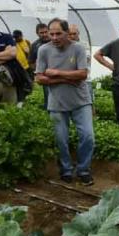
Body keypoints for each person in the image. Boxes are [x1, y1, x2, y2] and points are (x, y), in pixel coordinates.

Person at [35, 18, 94, 186]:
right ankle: (66, 169)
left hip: (80, 101)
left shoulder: (78, 49)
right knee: (61, 139)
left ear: (67, 33)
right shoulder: (43, 50)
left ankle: (83, 170)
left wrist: (55, 73)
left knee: (88, 136)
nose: (54, 37)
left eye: (58, 33)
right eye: (51, 34)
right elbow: (39, 78)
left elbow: (82, 74)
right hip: (57, 103)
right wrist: (67, 78)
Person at [29, 23, 51, 109]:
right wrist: (40, 71)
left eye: (46, 32)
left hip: (60, 73)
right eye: (42, 33)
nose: (44, 34)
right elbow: (31, 62)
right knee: (48, 96)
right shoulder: (35, 45)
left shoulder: (56, 41)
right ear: (37, 33)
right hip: (46, 76)